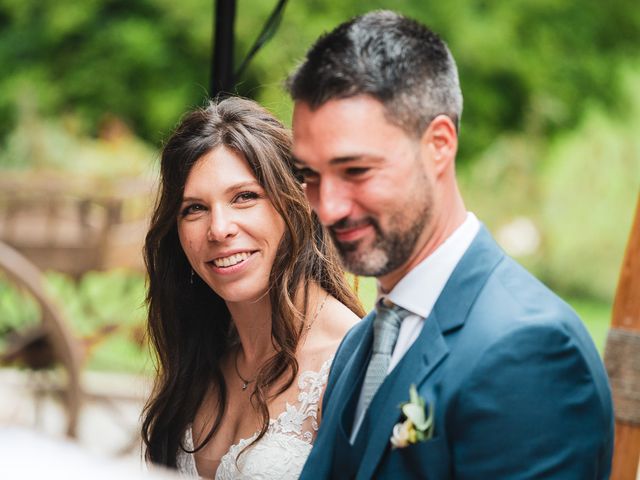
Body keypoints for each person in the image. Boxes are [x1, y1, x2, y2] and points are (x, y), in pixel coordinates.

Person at [287, 10, 614, 479]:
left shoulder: (530, 351)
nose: (328, 207)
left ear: (439, 144)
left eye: (356, 171)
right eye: (309, 175)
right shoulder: (360, 342)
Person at [141, 96, 364, 479]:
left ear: (300, 201)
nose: (219, 228)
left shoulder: (354, 362)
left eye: (244, 197)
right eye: (194, 208)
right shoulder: (200, 355)